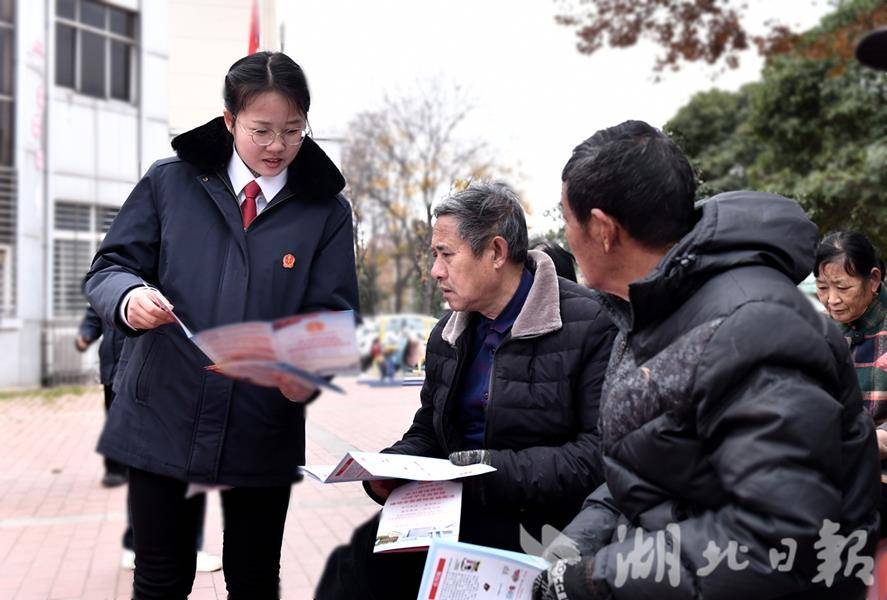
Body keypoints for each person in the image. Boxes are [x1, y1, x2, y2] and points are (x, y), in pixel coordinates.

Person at [532, 120, 880, 600]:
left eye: (567, 219)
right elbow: (645, 464)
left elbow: (778, 537)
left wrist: (596, 578)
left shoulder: (753, 326)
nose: (565, 235)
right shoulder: (651, 307)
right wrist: (570, 550)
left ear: (604, 230)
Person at [84, 51, 358, 599]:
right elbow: (109, 267)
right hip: (163, 408)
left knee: (254, 579)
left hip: (262, 419)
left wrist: (305, 369)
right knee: (160, 579)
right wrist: (129, 298)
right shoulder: (171, 182)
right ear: (229, 120)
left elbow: (334, 316)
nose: (278, 146)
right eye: (262, 131)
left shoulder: (325, 211)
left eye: (293, 131)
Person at [316, 181, 617, 599]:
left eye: (446, 255)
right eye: (434, 256)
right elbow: (430, 429)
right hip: (455, 506)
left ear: (496, 252)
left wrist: (484, 471)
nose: (436, 271)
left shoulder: (590, 324)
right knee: (359, 563)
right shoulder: (448, 334)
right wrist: (390, 467)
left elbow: (597, 456)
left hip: (547, 520)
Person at [814, 231, 887, 532]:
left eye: (843, 287)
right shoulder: (817, 329)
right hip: (830, 470)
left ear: (874, 280)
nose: (832, 300)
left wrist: (866, 441)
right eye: (822, 287)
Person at [76, 305, 127, 488]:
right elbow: (95, 313)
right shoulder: (109, 289)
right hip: (111, 367)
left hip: (138, 366)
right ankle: (115, 469)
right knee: (114, 419)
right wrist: (86, 334)